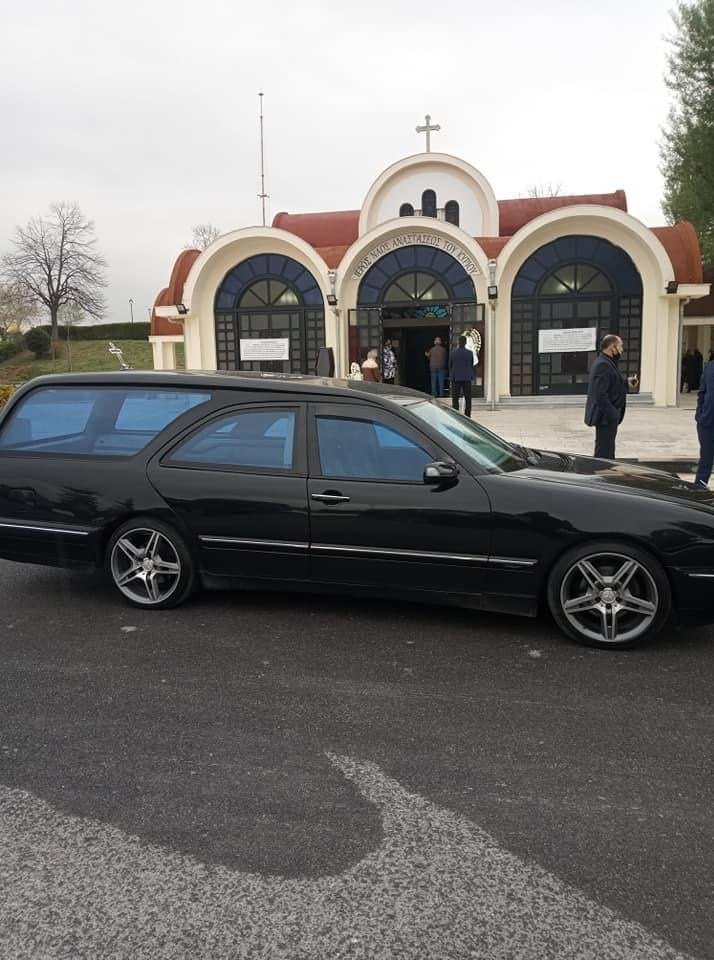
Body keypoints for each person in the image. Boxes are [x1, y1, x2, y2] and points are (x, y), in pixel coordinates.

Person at [584, 333, 638, 460]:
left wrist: (626, 382)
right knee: (604, 453)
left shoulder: (608, 362)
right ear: (612, 347)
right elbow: (599, 394)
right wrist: (613, 414)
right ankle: (601, 471)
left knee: (608, 450)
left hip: (608, 418)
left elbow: (611, 384)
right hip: (605, 418)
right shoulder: (602, 365)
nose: (622, 350)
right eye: (620, 346)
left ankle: (604, 469)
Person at [694, 357, 714, 486]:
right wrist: (699, 415)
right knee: (705, 459)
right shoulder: (709, 367)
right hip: (707, 421)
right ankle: (699, 489)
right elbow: (702, 393)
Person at [449, 335, 475, 417]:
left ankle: (455, 414)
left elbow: (450, 365)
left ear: (458, 342)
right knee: (468, 398)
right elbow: (471, 365)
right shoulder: (470, 353)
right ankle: (467, 415)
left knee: (455, 398)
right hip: (467, 378)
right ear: (465, 343)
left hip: (456, 378)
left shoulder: (453, 353)